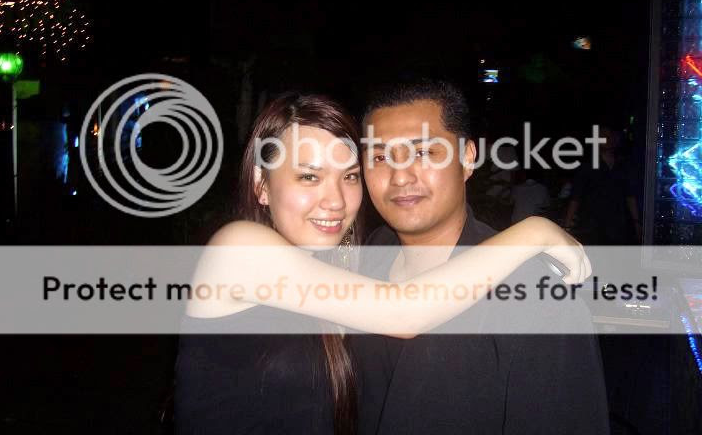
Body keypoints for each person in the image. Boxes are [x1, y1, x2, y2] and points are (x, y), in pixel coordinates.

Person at [174, 93, 590, 435]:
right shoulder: (238, 251)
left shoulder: (354, 266)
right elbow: (403, 311)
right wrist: (532, 232)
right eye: (309, 177)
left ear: (468, 158)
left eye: (349, 176)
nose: (335, 200)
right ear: (261, 185)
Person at [351, 79, 609, 434]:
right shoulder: (367, 257)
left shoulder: (537, 296)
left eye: (423, 152)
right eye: (380, 157)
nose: (400, 176)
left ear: (467, 158)